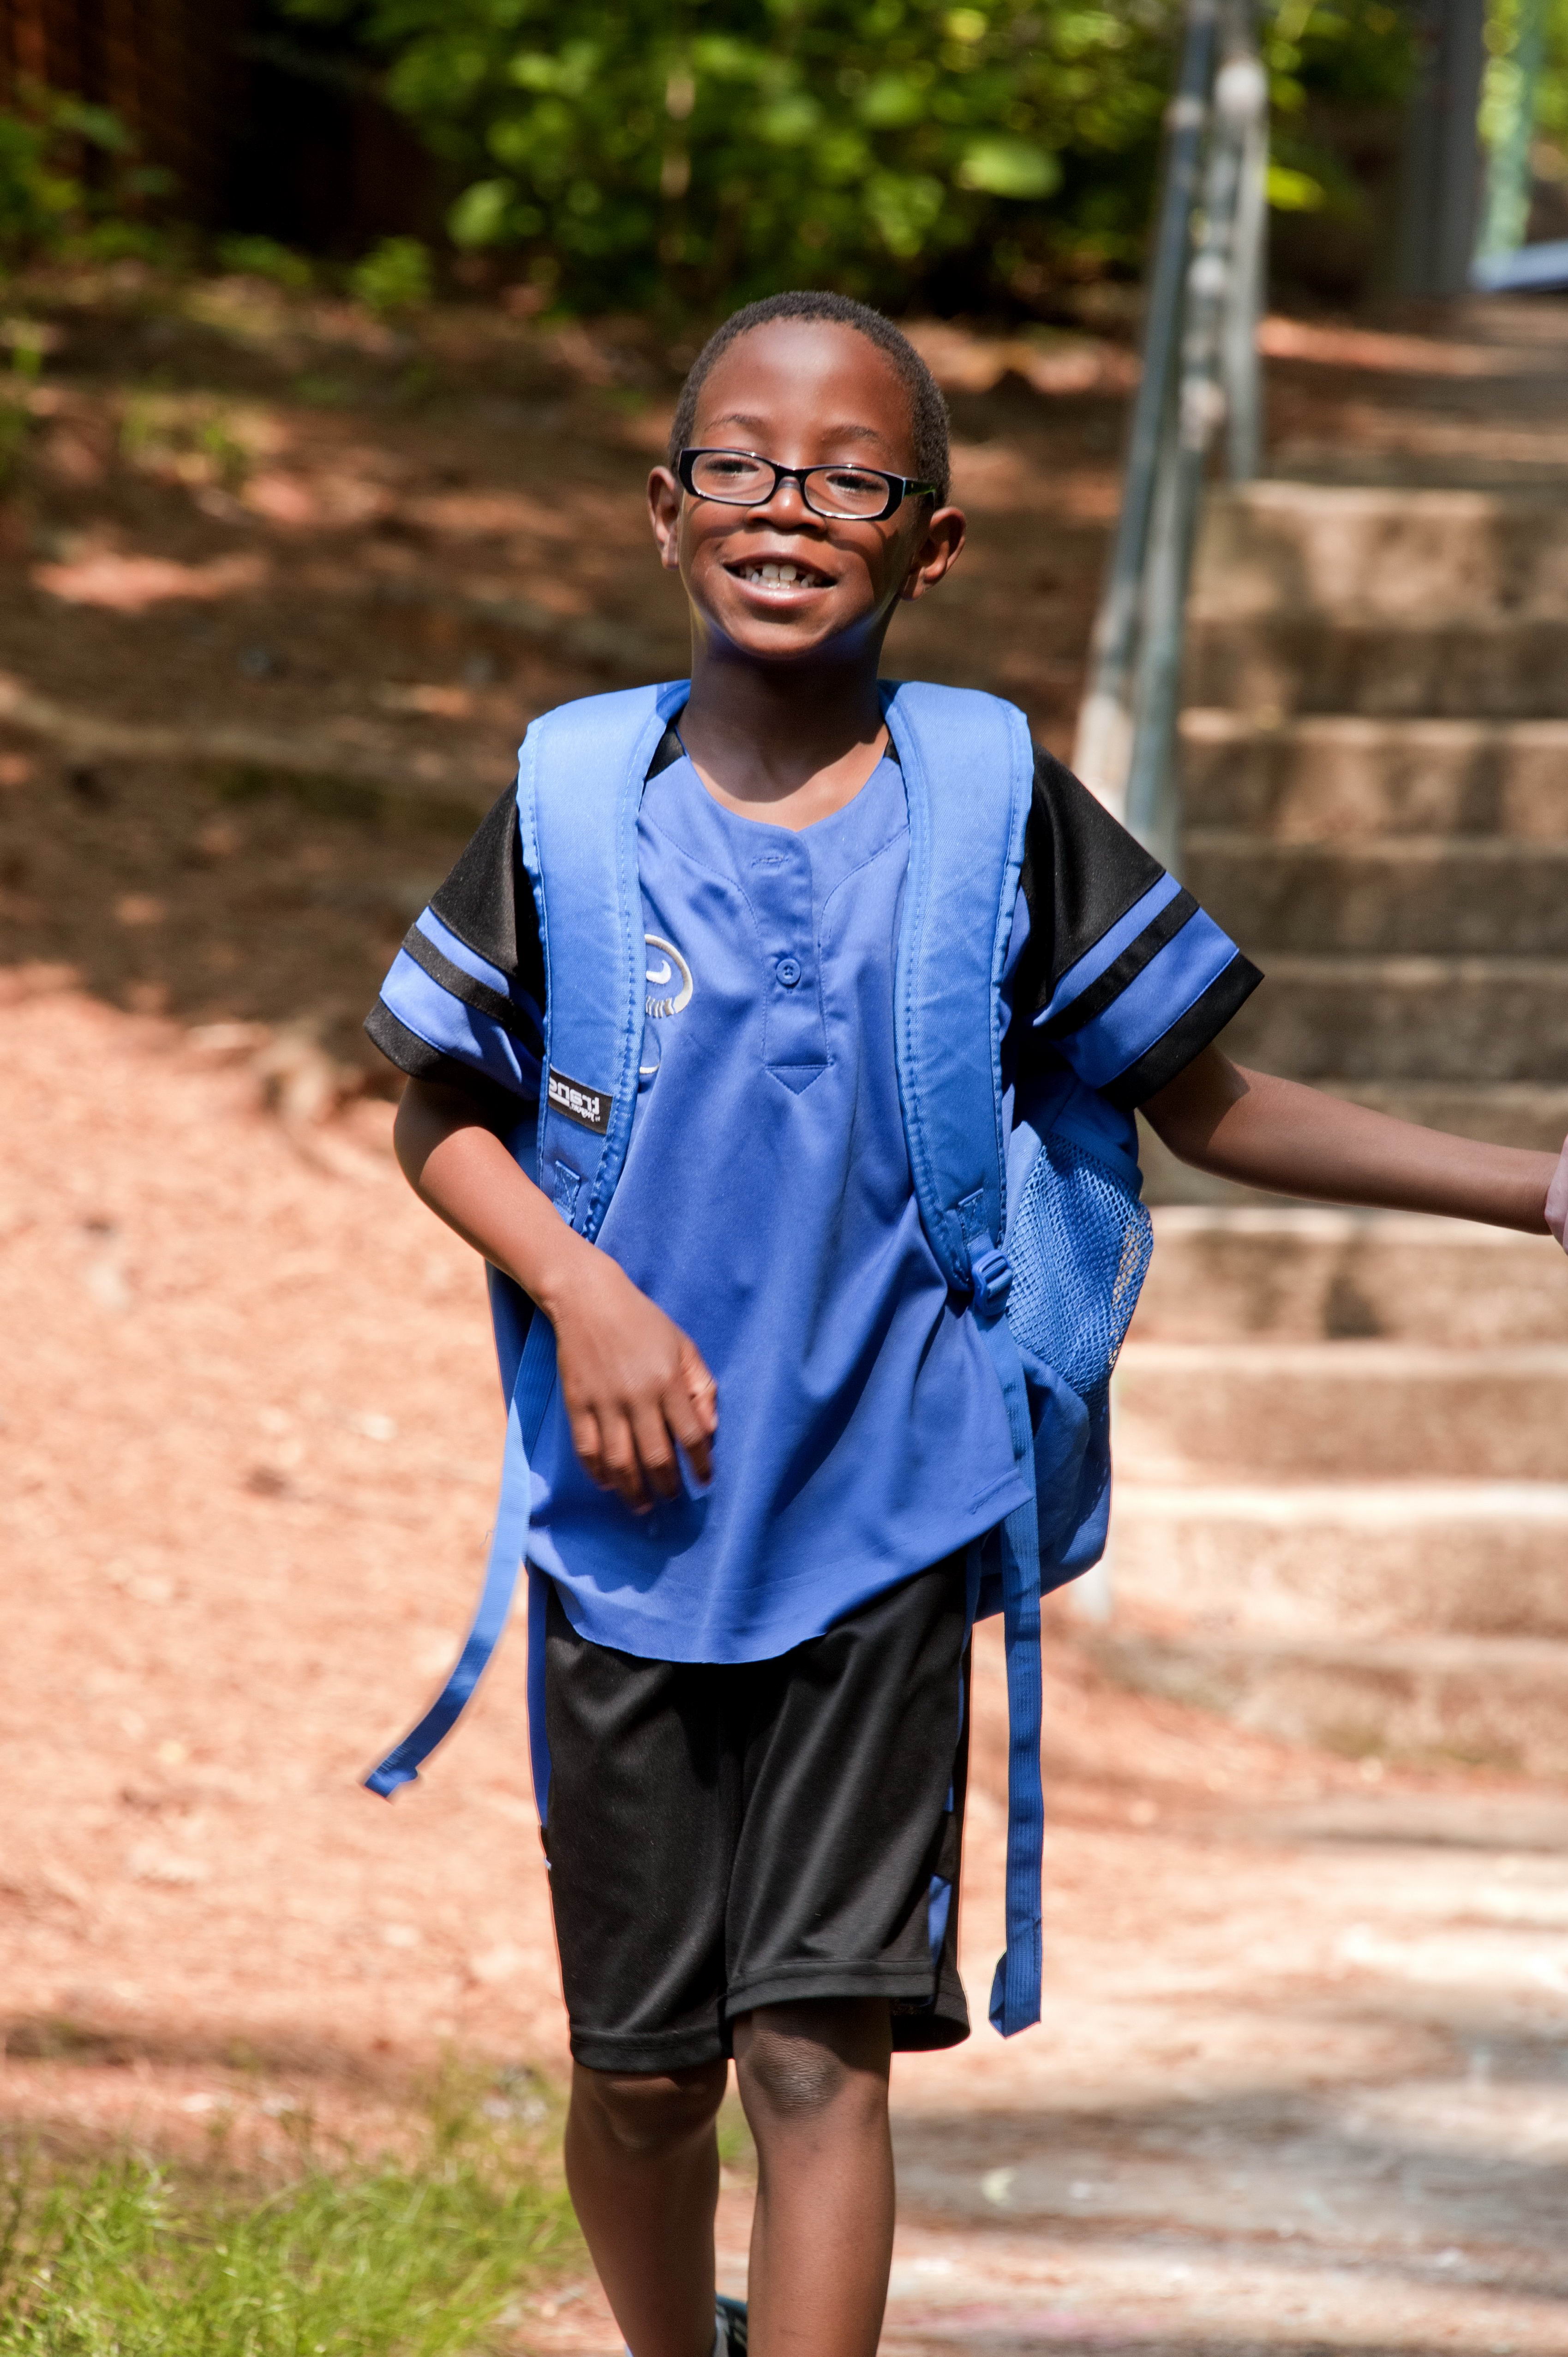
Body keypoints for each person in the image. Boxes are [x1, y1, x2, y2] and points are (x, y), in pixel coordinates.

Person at [365, 291, 1568, 2357]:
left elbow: (1204, 1098)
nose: (786, 505)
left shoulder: (998, 803)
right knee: (645, 2073)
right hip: (627, 1531)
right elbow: (437, 1110)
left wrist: (1530, 1184)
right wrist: (585, 1296)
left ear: (928, 543)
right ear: (666, 512)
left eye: (851, 475)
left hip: (888, 1517)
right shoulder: (571, 801)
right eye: (739, 463)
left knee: (819, 2052)